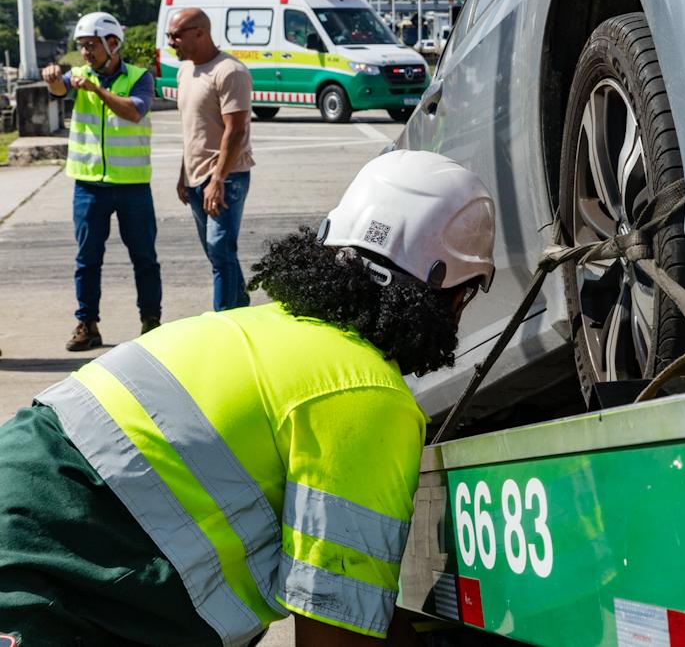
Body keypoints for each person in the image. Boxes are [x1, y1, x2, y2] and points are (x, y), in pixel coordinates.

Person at [0, 150, 496, 646]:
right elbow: (335, 633)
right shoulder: (366, 394)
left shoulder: (258, 328)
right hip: (46, 556)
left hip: (34, 499)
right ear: (445, 293)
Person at [41, 11, 162, 351]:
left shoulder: (139, 78)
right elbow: (59, 88)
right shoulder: (78, 75)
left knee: (144, 258)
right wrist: (53, 78)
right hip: (89, 185)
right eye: (81, 46)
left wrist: (96, 90)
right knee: (87, 258)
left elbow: (134, 111)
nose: (85, 53)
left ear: (113, 44)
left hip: (132, 185)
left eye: (91, 45)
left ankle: (151, 322)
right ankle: (87, 323)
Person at [168, 7, 256, 311]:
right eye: (169, 36)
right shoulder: (185, 71)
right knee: (218, 253)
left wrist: (217, 179)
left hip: (225, 177)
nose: (171, 42)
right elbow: (192, 128)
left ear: (200, 33)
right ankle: (241, 307)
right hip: (195, 178)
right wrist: (183, 174)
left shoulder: (229, 72)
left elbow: (235, 130)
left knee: (220, 250)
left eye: (176, 35)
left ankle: (222, 321)